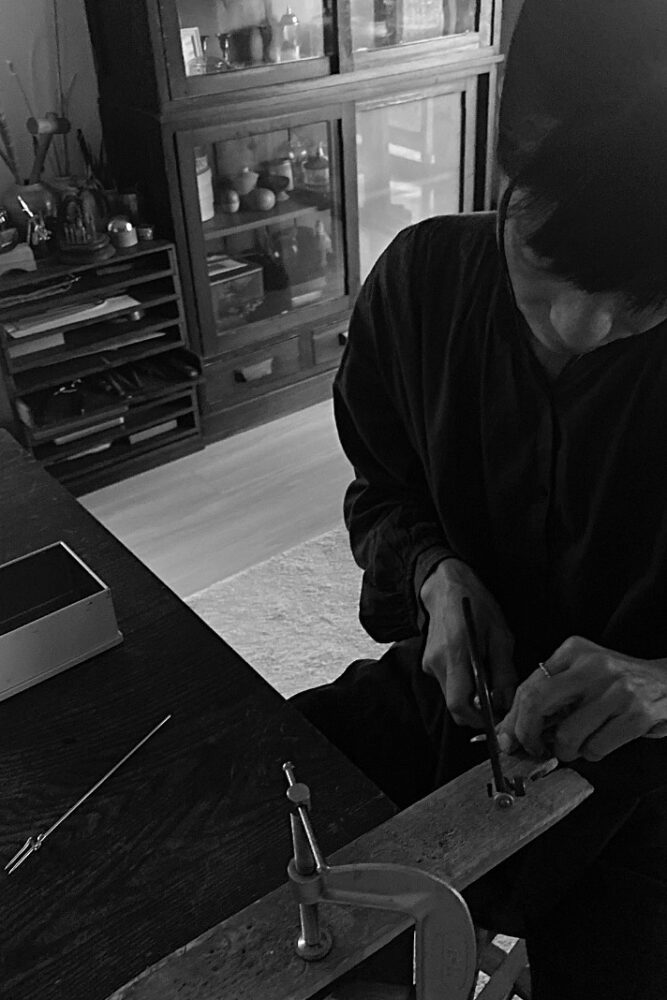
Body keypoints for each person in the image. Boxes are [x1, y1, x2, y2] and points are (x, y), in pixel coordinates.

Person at [291, 2, 667, 997]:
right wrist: (431, 572)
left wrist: (659, 683)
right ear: (510, 158)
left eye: (645, 294)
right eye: (547, 263)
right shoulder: (421, 283)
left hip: (652, 772)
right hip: (453, 707)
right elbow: (382, 490)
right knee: (237, 812)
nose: (583, 328)